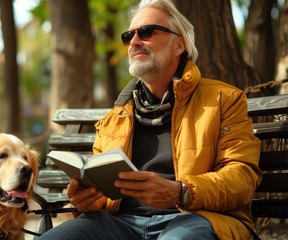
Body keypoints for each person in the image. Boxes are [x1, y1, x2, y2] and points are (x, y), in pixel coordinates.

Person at [39, 0, 262, 239]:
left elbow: (242, 177)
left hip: (199, 218)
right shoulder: (115, 118)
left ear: (179, 44)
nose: (134, 41)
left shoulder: (224, 99)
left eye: (146, 32)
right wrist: (85, 200)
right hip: (120, 224)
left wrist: (181, 192)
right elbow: (104, 199)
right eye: (128, 35)